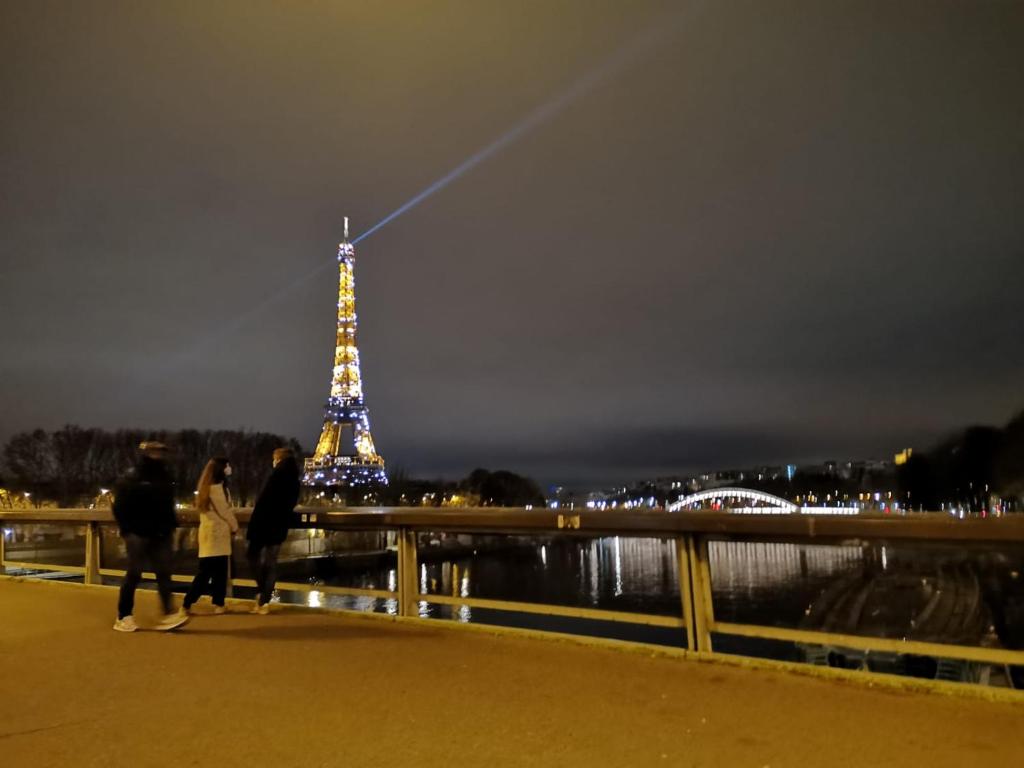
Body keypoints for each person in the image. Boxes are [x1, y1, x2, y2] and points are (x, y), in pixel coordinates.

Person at [111, 441, 188, 632]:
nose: (159, 454)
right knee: (135, 573)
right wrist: (128, 529)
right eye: (155, 451)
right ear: (146, 453)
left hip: (160, 531)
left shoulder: (164, 476)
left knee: (163, 573)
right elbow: (119, 505)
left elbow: (167, 505)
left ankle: (167, 613)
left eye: (161, 451)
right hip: (138, 532)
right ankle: (123, 616)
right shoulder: (133, 476)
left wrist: (170, 526)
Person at [246, 447, 300, 614]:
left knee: (252, 556)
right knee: (271, 562)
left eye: (274, 458)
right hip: (279, 524)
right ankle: (264, 599)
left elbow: (264, 502)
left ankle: (262, 593)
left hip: (264, 523)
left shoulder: (276, 475)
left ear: (279, 459)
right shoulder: (294, 479)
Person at [183, 456, 238, 614]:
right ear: (221, 469)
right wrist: (235, 527)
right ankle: (213, 603)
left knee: (206, 572)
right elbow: (225, 512)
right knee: (216, 573)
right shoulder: (218, 489)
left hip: (207, 534)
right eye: (227, 465)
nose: (229, 468)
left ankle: (191, 603)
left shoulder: (204, 488)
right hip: (219, 534)